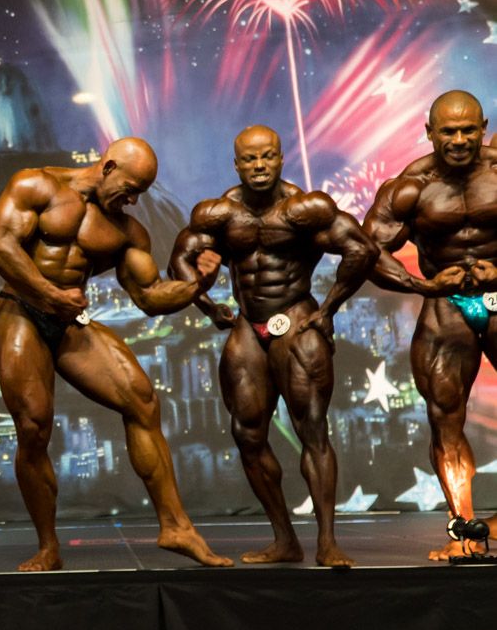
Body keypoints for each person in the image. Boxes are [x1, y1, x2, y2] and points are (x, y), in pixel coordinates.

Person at [0, 136, 232, 571]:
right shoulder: (36, 185)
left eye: (141, 193)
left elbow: (149, 296)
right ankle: (48, 547)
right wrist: (50, 295)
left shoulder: (126, 232)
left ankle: (176, 527)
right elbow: (1, 248)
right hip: (21, 309)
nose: (134, 200)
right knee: (33, 426)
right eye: (130, 188)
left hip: (69, 320)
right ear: (108, 166)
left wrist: (198, 284)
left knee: (142, 399)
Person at [169, 126, 377, 567]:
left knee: (312, 429)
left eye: (267, 156)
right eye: (250, 159)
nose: (259, 166)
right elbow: (180, 258)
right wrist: (208, 306)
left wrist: (330, 309)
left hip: (296, 318)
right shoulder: (221, 213)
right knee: (246, 434)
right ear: (236, 164)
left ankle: (327, 542)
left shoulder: (304, 210)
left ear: (281, 159)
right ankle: (285, 539)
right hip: (248, 325)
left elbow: (361, 250)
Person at [363, 90, 497, 560]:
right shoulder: (410, 187)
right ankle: (465, 533)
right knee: (445, 417)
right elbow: (367, 251)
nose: (459, 140)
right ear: (429, 132)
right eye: (448, 131)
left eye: (468, 130)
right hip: (447, 304)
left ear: (483, 128)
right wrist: (423, 285)